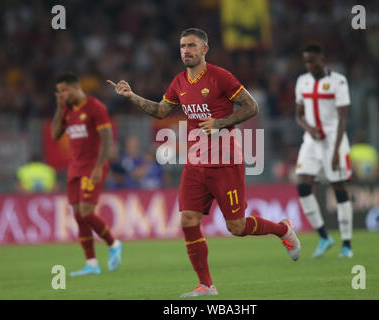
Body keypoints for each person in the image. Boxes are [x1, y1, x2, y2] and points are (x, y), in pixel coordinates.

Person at [108, 28, 301, 297]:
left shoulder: (220, 77)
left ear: (204, 49)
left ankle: (283, 230)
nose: (186, 50)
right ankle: (207, 285)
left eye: (191, 45)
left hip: (225, 161)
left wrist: (222, 122)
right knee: (188, 219)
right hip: (196, 162)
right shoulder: (178, 82)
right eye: (182, 46)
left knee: (237, 227)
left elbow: (251, 107)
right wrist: (132, 96)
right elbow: (161, 111)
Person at [51, 73, 122, 276]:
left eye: (64, 90)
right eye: (59, 92)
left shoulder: (95, 107)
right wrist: (58, 107)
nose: (61, 95)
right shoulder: (66, 110)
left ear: (75, 88)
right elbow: (55, 135)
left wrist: (99, 167)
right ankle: (91, 264)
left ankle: (114, 243)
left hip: (92, 166)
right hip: (74, 167)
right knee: (78, 215)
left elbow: (108, 139)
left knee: (87, 212)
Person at [294, 43, 354, 258]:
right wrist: (308, 128)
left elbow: (343, 118)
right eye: (306, 61)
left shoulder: (338, 81)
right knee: (302, 185)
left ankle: (347, 244)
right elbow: (298, 115)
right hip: (311, 141)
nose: (309, 65)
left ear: (322, 60)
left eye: (312, 61)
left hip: (333, 141)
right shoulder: (302, 82)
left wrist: (337, 149)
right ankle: (324, 236)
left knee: (339, 187)